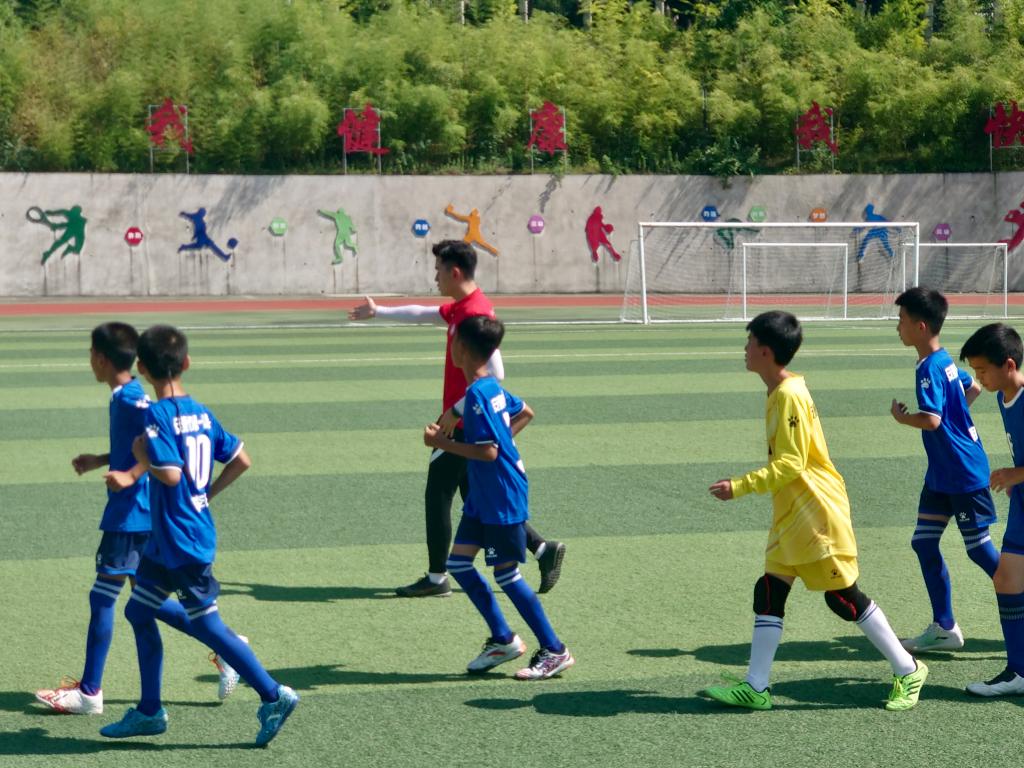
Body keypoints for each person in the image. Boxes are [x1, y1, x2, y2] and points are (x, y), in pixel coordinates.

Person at [705, 311, 926, 711]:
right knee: (769, 591)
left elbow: (791, 463)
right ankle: (756, 686)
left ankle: (907, 668)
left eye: (750, 341)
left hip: (816, 512)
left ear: (766, 351)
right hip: (793, 512)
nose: (745, 348)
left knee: (843, 598)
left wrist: (739, 486)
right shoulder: (780, 390)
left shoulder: (789, 394)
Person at [99, 325, 298, 747]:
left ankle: (273, 694)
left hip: (182, 540)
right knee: (138, 611)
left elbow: (170, 475)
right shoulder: (202, 413)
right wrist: (207, 493)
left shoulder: (157, 415)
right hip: (168, 541)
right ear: (186, 363)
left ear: (142, 368)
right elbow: (241, 459)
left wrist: (141, 457)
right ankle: (149, 711)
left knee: (207, 624)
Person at [34, 323, 240, 714]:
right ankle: (228, 647)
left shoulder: (133, 399)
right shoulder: (125, 395)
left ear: (100, 358)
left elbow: (160, 444)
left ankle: (90, 693)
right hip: (137, 512)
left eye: (90, 353)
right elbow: (139, 445)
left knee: (102, 597)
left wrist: (130, 475)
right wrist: (101, 459)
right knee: (148, 600)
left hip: (131, 513)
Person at [349, 240, 565, 597]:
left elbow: (496, 372)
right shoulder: (463, 307)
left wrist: (456, 411)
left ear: (454, 272)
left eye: (438, 270)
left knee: (438, 495)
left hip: (462, 424)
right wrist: (379, 312)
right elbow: (424, 314)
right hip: (464, 419)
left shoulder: (474, 312)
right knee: (475, 497)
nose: (434, 277)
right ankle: (542, 549)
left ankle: (437, 578)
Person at [423, 316, 574, 679]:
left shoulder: (478, 394)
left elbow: (489, 451)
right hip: (483, 494)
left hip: (501, 497)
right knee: (459, 564)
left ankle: (555, 650)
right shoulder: (488, 387)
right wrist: (502, 444)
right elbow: (525, 412)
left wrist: (441, 443)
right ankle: (503, 640)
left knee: (507, 574)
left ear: (461, 348)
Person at [891, 288, 999, 652]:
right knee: (923, 543)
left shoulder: (928, 368)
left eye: (902, 321)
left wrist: (904, 419)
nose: (898, 327)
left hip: (962, 473)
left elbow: (932, 420)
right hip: (943, 474)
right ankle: (945, 627)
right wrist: (957, 418)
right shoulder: (944, 359)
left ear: (920, 327)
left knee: (980, 550)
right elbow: (973, 388)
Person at [960, 323, 1024, 695]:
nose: (979, 378)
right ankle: (1018, 672)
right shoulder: (1004, 397)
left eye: (983, 370)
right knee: (1006, 579)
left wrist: (1016, 473)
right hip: (1022, 503)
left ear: (1009, 365)